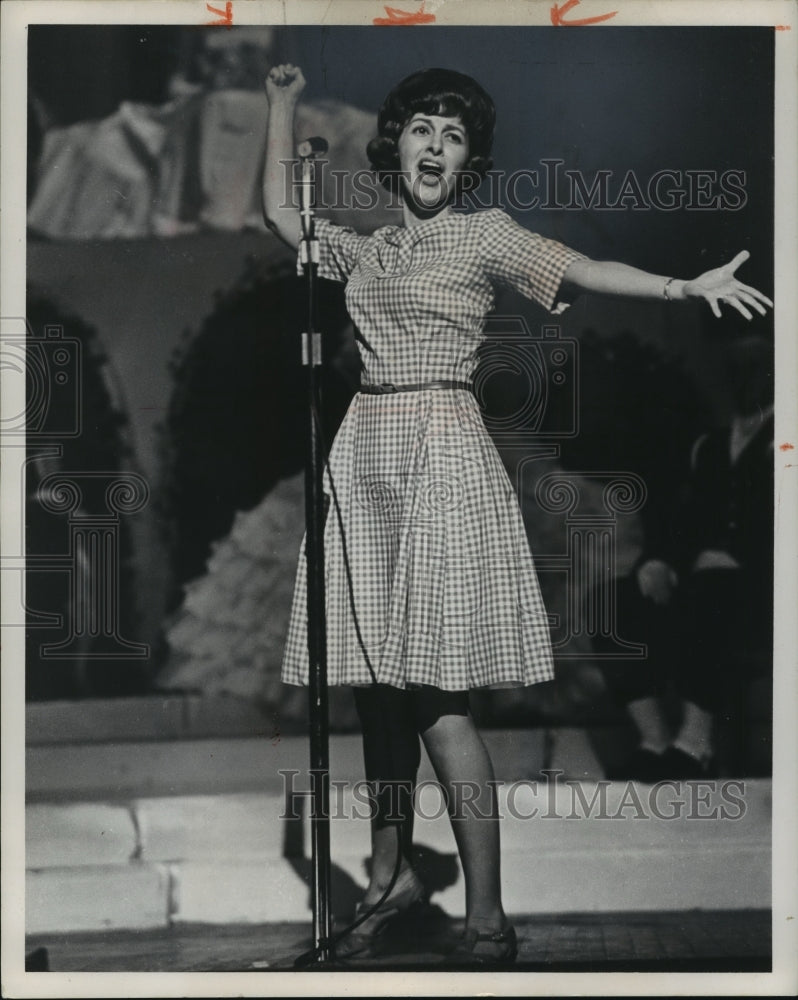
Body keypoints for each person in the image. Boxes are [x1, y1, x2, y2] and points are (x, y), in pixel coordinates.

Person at [262, 63, 772, 964]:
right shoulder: (372, 246)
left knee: (434, 695)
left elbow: (582, 265)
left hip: (442, 454)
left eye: (454, 137)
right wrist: (278, 107)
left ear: (468, 162)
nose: (435, 146)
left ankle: (489, 912)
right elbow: (278, 216)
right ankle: (389, 874)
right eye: (423, 128)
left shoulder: (484, 234)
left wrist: (682, 288)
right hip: (365, 460)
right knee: (377, 684)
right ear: (396, 142)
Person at [604, 332, 774, 781]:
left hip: (767, 591)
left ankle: (695, 745)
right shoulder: (712, 445)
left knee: (714, 590)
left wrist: (741, 562)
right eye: (735, 369)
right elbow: (688, 525)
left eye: (757, 367)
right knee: (614, 602)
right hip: (704, 581)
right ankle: (656, 742)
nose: (745, 379)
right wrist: (661, 562)